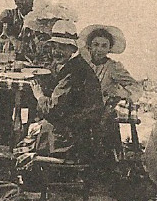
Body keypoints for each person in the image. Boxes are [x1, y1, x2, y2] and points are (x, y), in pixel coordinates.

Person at [27, 20, 109, 165]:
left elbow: (54, 110)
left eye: (63, 47)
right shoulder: (75, 65)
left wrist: (39, 96)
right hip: (82, 131)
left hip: (71, 138)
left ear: (73, 49)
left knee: (28, 135)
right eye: (55, 47)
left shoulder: (73, 73)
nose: (57, 52)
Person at [79, 25, 141, 106]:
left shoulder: (113, 67)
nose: (99, 49)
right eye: (96, 44)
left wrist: (120, 93)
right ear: (90, 46)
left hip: (101, 112)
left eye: (104, 46)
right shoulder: (82, 63)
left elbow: (135, 86)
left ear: (109, 48)